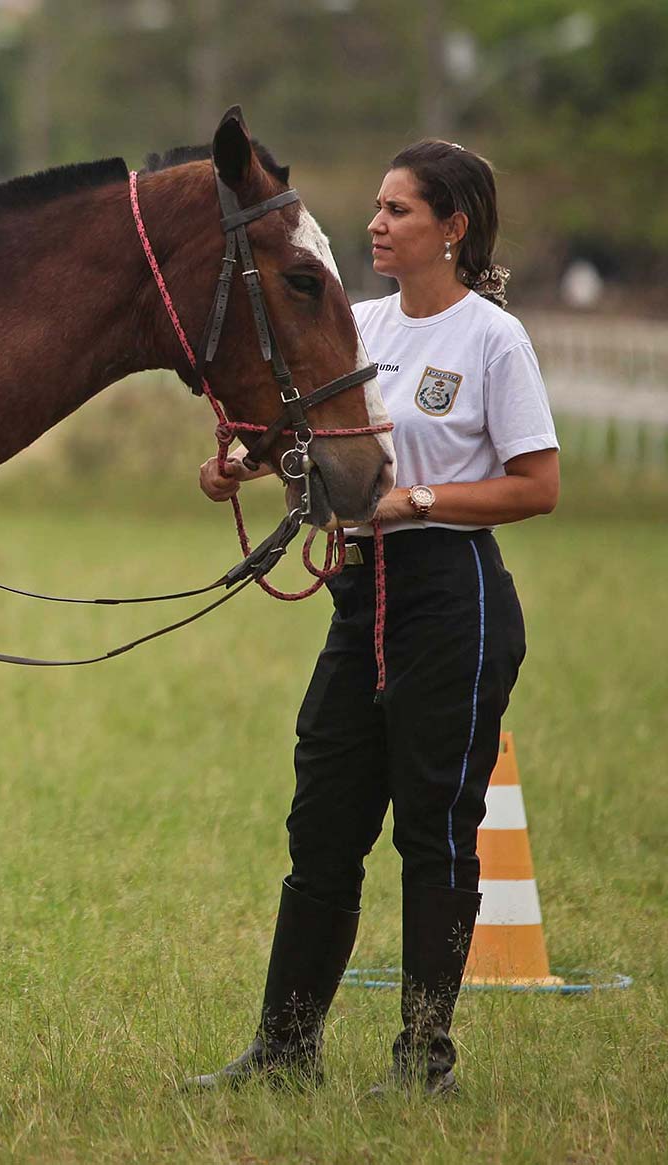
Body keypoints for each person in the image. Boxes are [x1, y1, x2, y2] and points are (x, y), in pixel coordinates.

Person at [186, 140, 559, 1097]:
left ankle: (424, 1061)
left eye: (399, 210)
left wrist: (418, 501)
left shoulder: (490, 339)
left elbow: (536, 487)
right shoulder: (355, 323)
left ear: (454, 229)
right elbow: (318, 437)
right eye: (380, 209)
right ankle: (283, 1050)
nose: (377, 224)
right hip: (360, 597)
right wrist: (244, 462)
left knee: (435, 829)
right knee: (323, 825)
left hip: (454, 599)